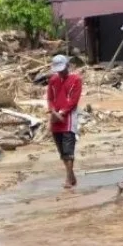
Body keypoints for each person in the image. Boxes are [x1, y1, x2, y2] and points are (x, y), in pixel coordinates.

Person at [46, 54, 82, 190]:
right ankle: (71, 175)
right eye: (58, 70)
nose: (61, 73)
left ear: (68, 66)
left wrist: (62, 113)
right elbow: (50, 98)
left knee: (68, 150)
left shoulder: (76, 80)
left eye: (63, 69)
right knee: (61, 151)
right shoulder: (53, 80)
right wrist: (53, 111)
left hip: (68, 118)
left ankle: (68, 178)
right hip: (55, 118)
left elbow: (74, 100)